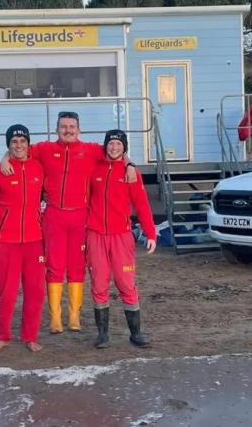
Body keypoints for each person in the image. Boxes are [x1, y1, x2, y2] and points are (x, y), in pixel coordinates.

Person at [1, 112, 136, 334]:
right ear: (57, 130)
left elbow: (116, 151)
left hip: (80, 216)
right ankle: (55, 318)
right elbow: (20, 150)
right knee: (54, 266)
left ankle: (74, 317)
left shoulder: (91, 150)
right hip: (54, 215)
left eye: (72, 127)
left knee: (76, 266)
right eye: (63, 127)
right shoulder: (45, 149)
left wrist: (131, 164)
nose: (68, 130)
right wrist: (5, 158)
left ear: (79, 130)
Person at [86, 129, 156, 349]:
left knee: (126, 283)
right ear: (105, 145)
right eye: (110, 143)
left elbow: (142, 204)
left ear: (124, 147)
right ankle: (103, 334)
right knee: (99, 283)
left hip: (121, 236)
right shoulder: (93, 168)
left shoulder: (130, 173)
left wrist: (150, 232)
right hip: (95, 234)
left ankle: (135, 333)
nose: (114, 147)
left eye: (118, 144)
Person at [0, 124, 46, 353]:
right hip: (6, 242)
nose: (19, 145)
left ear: (28, 143)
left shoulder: (39, 167)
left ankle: (30, 337)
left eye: (22, 141)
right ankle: (3, 336)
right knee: (7, 292)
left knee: (35, 292)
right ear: (8, 145)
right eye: (14, 142)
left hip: (34, 241)